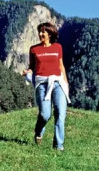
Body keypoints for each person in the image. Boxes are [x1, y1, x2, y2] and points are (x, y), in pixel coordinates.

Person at [24, 22, 70, 151]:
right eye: (39, 31)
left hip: (58, 83)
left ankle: (58, 146)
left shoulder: (57, 47)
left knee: (60, 114)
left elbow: (61, 65)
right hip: (42, 84)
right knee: (45, 114)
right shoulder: (34, 49)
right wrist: (28, 72)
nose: (40, 34)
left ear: (49, 34)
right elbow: (32, 67)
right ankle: (39, 131)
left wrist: (65, 83)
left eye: (43, 32)